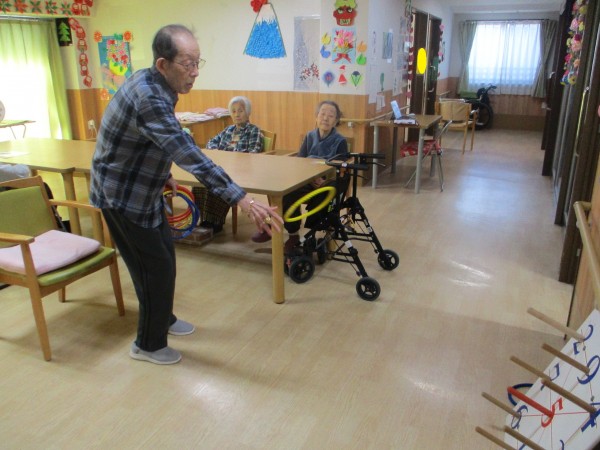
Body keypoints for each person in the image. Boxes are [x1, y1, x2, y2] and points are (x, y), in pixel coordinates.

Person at [89, 24, 282, 365]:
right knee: (153, 269)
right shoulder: (149, 96)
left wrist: (162, 174)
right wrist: (242, 198)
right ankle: (147, 345)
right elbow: (187, 153)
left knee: (163, 258)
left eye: (197, 62)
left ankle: (162, 319)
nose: (195, 72)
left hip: (142, 189)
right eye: (187, 63)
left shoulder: (158, 84)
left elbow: (150, 139)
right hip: (121, 196)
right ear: (163, 64)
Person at [251, 100, 349, 251]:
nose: (325, 118)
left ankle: (306, 233)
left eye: (331, 116)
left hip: (326, 184)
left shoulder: (340, 141)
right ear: (316, 116)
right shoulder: (310, 136)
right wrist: (307, 177)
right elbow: (300, 161)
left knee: (320, 193)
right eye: (322, 114)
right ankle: (289, 232)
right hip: (306, 180)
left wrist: (324, 181)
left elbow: (341, 169)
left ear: (336, 121)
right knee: (284, 191)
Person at [194, 96, 262, 232]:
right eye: (234, 111)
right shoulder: (228, 130)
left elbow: (254, 151)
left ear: (248, 112)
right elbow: (211, 143)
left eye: (241, 111)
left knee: (219, 183)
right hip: (222, 167)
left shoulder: (253, 130)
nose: (237, 114)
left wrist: (231, 156)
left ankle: (216, 221)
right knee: (201, 183)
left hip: (240, 170)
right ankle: (205, 219)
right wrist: (218, 152)